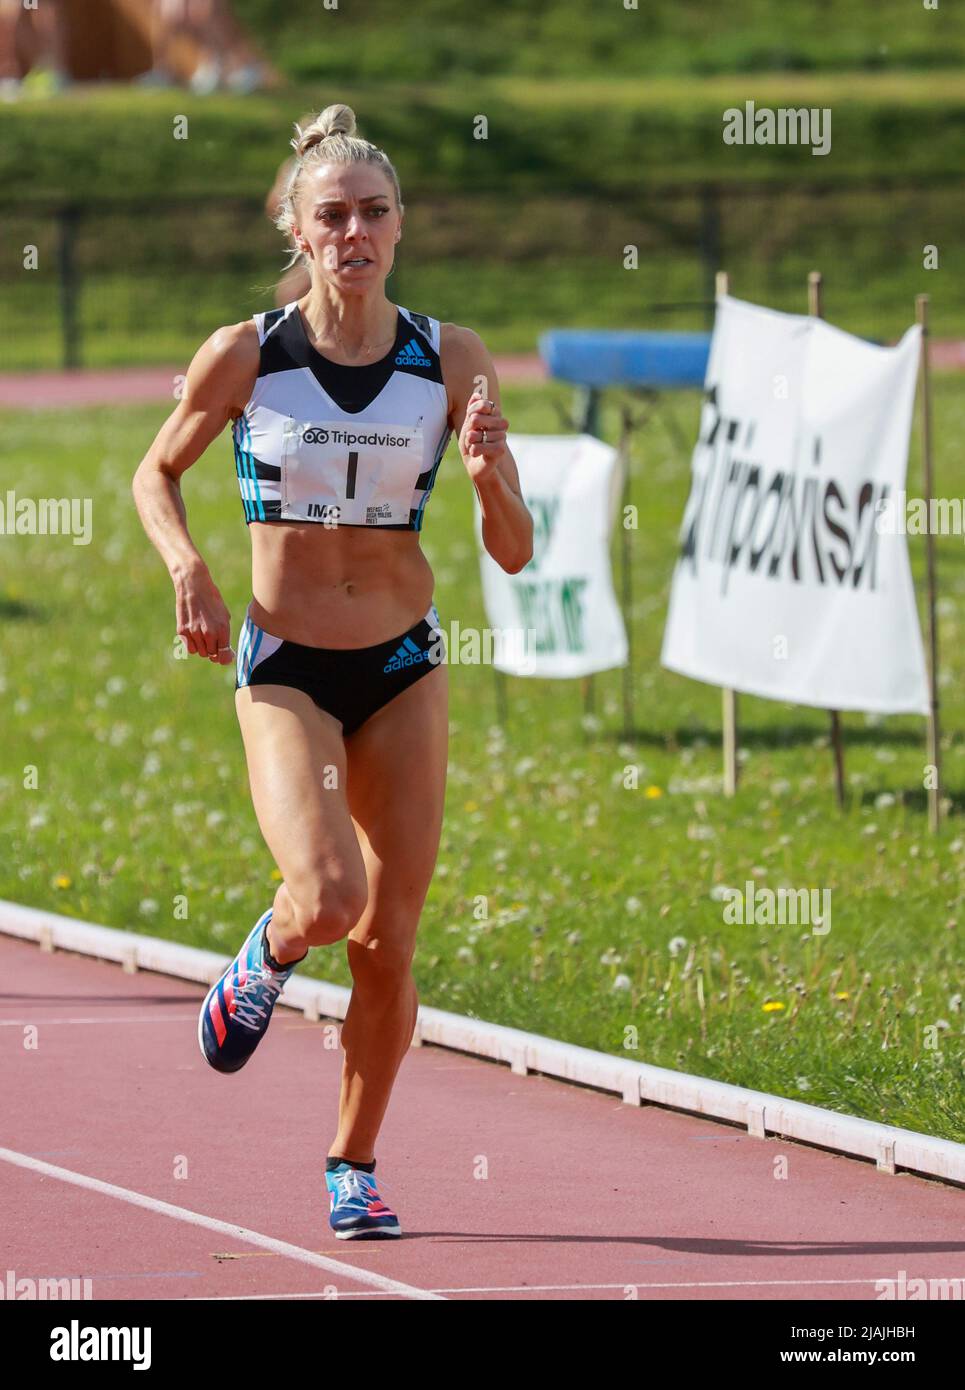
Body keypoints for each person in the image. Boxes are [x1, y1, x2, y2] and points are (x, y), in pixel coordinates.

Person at [132, 102, 533, 1239]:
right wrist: (190, 571)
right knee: (327, 898)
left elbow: (513, 547)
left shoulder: (448, 357)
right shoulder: (248, 354)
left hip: (404, 665)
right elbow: (152, 477)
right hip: (287, 664)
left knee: (387, 941)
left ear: (399, 227)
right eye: (331, 216)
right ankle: (266, 950)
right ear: (297, 232)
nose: (353, 231)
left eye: (373, 212)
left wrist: (489, 477)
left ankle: (352, 1161)